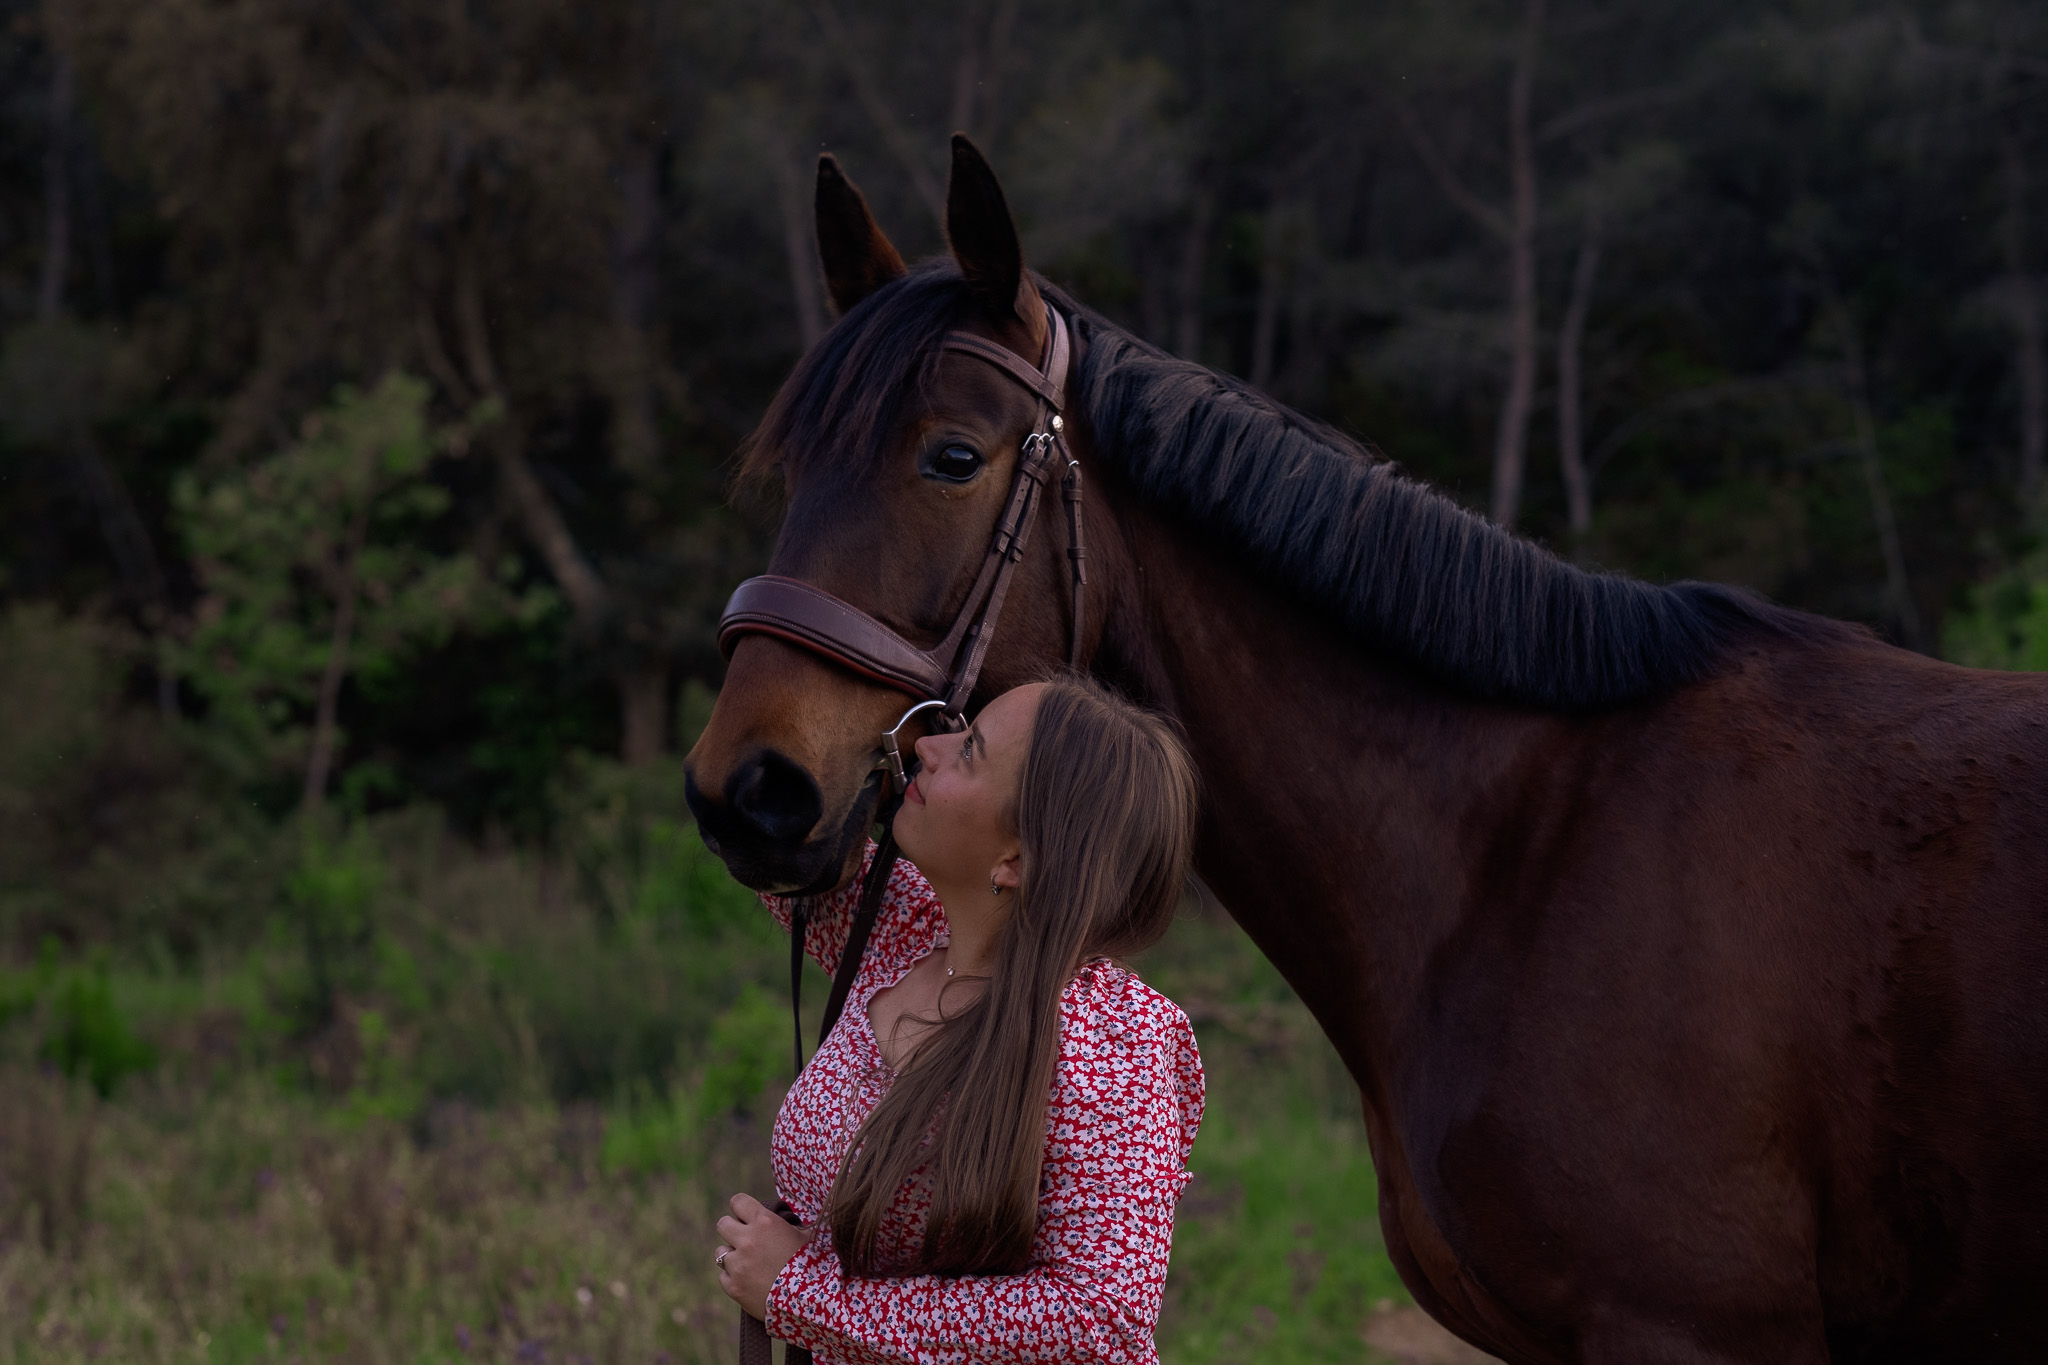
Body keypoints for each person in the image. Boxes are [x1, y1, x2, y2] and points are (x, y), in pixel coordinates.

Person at [711, 676, 1205, 1365]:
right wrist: (845, 737)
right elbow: (768, 827)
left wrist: (804, 1294)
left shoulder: (1113, 1045)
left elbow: (1098, 1314)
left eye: (968, 751)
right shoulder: (904, 931)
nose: (928, 747)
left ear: (1017, 858)